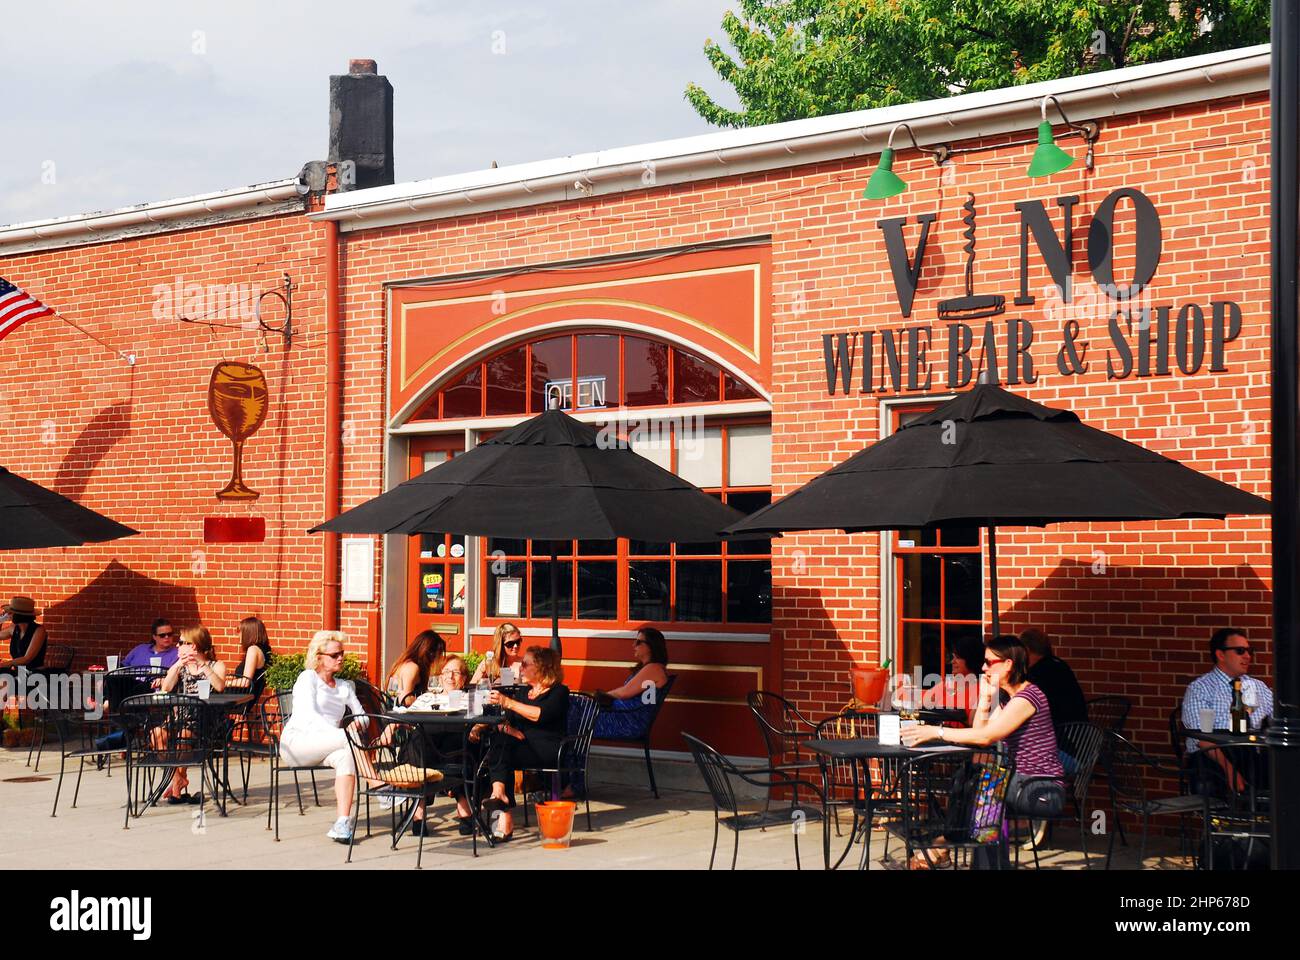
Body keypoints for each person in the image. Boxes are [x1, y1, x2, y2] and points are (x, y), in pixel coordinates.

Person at [902, 635, 1066, 866]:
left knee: (984, 789)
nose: (983, 667)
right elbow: (980, 732)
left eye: (989, 662)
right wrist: (985, 698)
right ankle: (953, 847)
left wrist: (936, 732)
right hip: (1016, 782)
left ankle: (943, 844)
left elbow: (986, 736)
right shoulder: (1008, 698)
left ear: (1008, 664)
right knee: (974, 780)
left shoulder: (1028, 697)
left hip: (1042, 789)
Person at [280, 631, 368, 843]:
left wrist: (359, 722)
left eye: (342, 653)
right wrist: (343, 734)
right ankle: (377, 785)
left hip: (327, 745)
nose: (341, 658)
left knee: (346, 756)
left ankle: (342, 822)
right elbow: (310, 717)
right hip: (297, 744)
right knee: (349, 738)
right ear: (318, 657)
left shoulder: (344, 686)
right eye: (335, 654)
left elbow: (364, 717)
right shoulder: (307, 678)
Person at [475, 646, 570, 842]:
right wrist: (504, 729)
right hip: (520, 746)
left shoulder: (559, 692)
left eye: (526, 664)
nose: (520, 668)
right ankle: (500, 799)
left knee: (501, 752)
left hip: (548, 748)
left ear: (543, 667)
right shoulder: (523, 692)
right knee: (498, 744)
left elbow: (540, 715)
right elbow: (506, 720)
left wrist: (508, 703)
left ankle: (501, 809)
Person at [1181, 627, 1274, 794]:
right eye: (1240, 651)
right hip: (1214, 758)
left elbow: (1282, 718)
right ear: (1220, 655)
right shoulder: (1200, 689)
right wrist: (1230, 770)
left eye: (1249, 651)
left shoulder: (1257, 686)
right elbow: (1200, 738)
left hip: (1252, 755)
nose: (1247, 656)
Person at [157, 625, 228, 803]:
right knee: (156, 735)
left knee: (184, 737)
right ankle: (177, 779)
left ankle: (176, 786)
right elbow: (166, 688)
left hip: (203, 720)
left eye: (181, 642)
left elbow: (219, 686)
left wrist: (202, 665)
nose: (177, 646)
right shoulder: (181, 667)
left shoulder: (215, 665)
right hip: (178, 717)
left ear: (193, 646)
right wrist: (179, 664)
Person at [1019, 628, 1087, 766]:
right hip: (1081, 745)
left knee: (1008, 752)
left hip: (1062, 749)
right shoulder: (1059, 665)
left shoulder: (1037, 675)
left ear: (1026, 649)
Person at [593, 627, 669, 739]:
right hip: (625, 716)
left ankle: (565, 753)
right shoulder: (652, 668)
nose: (634, 645)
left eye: (638, 642)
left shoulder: (654, 669)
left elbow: (624, 693)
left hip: (628, 722)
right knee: (575, 709)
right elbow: (625, 691)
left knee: (575, 712)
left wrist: (599, 698)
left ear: (651, 646)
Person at [386, 630, 447, 707]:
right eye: (439, 654)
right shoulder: (412, 668)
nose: (439, 658)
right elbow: (405, 700)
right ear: (431, 653)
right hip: (400, 716)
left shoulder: (406, 662)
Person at [0, 596, 47, 674]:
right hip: (20, 673)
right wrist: (1, 620)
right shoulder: (14, 628)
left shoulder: (39, 630)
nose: (8, 614)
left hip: (35, 674)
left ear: (20, 615)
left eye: (11, 612)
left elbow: (27, 658)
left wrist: (4, 664)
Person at [231, 616, 273, 691]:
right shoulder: (264, 650)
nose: (239, 635)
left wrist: (224, 683)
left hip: (240, 698)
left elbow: (245, 682)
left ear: (248, 633)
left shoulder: (253, 650)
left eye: (241, 632)